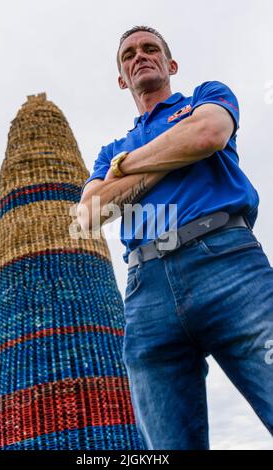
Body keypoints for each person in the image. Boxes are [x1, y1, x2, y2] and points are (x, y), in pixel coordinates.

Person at [78, 25, 273, 450]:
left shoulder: (206, 96)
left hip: (228, 263)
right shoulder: (109, 149)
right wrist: (177, 151)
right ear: (121, 78)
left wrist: (126, 169)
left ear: (171, 64)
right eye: (129, 54)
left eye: (151, 49)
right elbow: (90, 212)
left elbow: (207, 135)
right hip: (147, 292)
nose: (139, 56)